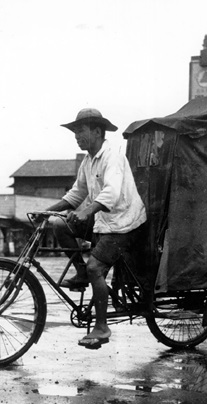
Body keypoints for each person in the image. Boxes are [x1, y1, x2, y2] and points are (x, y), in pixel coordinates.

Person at [44, 108, 146, 349]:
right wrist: (47, 211)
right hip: (103, 220)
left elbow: (112, 192)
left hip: (124, 223)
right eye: (75, 132)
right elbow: (77, 193)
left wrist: (86, 211)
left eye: (81, 131)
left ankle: (101, 327)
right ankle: (80, 274)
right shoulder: (88, 161)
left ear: (98, 132)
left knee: (96, 268)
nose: (77, 136)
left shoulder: (113, 157)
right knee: (59, 224)